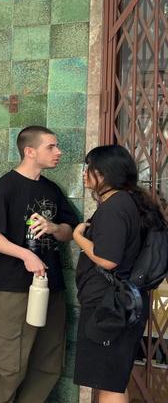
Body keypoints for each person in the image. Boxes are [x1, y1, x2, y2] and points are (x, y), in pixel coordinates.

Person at [0, 126, 78, 402]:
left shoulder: (51, 189)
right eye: (51, 147)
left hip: (52, 287)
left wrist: (53, 227)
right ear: (30, 151)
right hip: (14, 288)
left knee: (47, 363)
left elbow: (69, 232)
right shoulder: (2, 188)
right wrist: (26, 254)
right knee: (8, 364)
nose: (58, 152)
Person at [72, 145, 163, 403]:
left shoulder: (115, 206)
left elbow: (107, 259)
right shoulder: (131, 201)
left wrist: (79, 237)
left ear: (103, 173)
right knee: (111, 380)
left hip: (109, 305)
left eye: (88, 168)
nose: (84, 174)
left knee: (108, 383)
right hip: (120, 302)